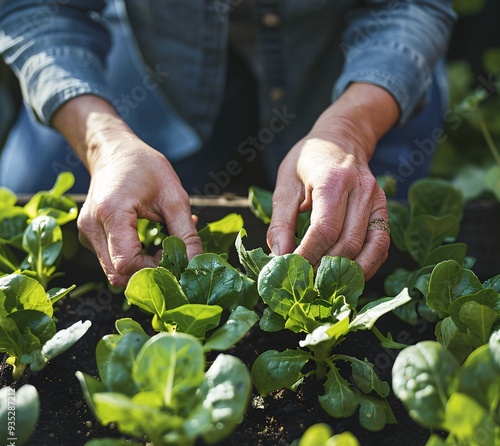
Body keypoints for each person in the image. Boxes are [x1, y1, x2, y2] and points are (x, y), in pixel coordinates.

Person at [0, 0, 456, 287]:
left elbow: (409, 7)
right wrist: (105, 145)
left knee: (371, 232)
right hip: (159, 64)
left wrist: (350, 131)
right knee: (29, 203)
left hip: (353, 67)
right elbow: (40, 9)